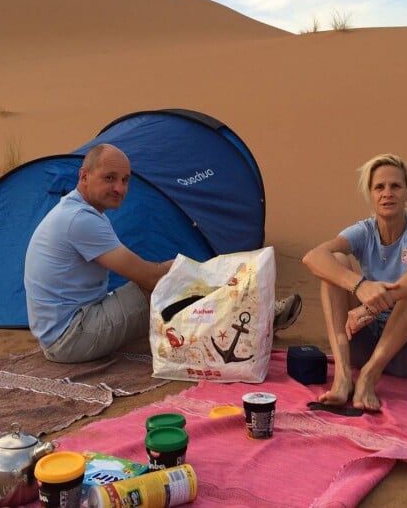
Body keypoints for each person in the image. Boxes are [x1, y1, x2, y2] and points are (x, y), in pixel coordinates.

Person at [25, 143, 302, 364]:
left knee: (171, 277)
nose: (119, 188)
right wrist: (190, 273)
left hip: (65, 330)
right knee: (162, 282)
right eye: (109, 178)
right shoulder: (80, 220)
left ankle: (252, 313)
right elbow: (148, 278)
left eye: (125, 180)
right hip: (70, 338)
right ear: (84, 176)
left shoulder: (77, 212)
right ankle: (258, 316)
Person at [302, 153, 407, 411]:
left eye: (396, 186)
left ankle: (370, 376)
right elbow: (313, 257)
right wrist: (359, 286)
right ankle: (343, 377)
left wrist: (380, 301)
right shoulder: (364, 231)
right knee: (335, 261)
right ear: (370, 195)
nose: (387, 193)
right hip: (367, 341)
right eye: (379, 187)